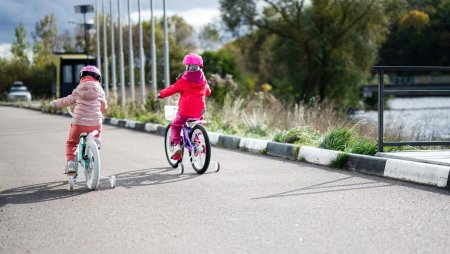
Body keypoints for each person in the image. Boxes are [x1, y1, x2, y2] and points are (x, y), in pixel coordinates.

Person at [50, 65, 107, 174]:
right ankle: (97, 139)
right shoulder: (100, 91)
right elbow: (104, 105)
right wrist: (102, 109)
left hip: (79, 123)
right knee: (99, 122)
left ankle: (70, 164)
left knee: (72, 143)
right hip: (95, 124)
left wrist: (54, 103)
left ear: (81, 77)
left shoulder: (78, 90)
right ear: (98, 78)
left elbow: (66, 101)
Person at [158, 53, 211, 160]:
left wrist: (161, 94)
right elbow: (208, 92)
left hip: (185, 111)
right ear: (200, 67)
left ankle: (177, 146)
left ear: (187, 67)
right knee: (196, 123)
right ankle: (197, 140)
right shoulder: (203, 81)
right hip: (200, 111)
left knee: (175, 126)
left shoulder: (183, 81)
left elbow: (171, 89)